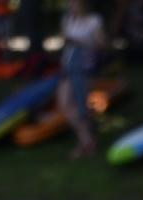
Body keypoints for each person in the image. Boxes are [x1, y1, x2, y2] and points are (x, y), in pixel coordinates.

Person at [58, 0, 107, 158]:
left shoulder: (94, 21)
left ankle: (85, 142)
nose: (73, 5)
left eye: (76, 2)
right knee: (64, 103)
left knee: (80, 102)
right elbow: (65, 42)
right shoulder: (67, 20)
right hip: (68, 65)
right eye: (71, 3)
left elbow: (102, 44)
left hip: (85, 67)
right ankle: (87, 140)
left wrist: (80, 42)